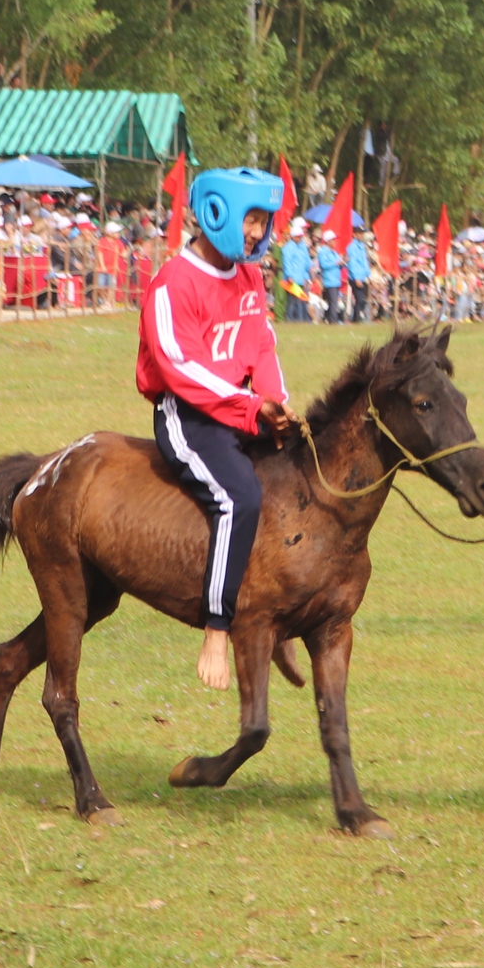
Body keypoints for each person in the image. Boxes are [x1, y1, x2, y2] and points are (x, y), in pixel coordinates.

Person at [135, 167, 294, 690]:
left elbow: (262, 345)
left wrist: (277, 404)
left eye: (263, 221)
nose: (256, 231)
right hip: (189, 417)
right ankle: (216, 628)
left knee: (296, 478)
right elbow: (181, 370)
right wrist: (252, 409)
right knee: (241, 498)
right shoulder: (171, 284)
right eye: (251, 219)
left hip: (243, 407)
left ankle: (284, 624)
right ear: (216, 213)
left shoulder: (250, 277)